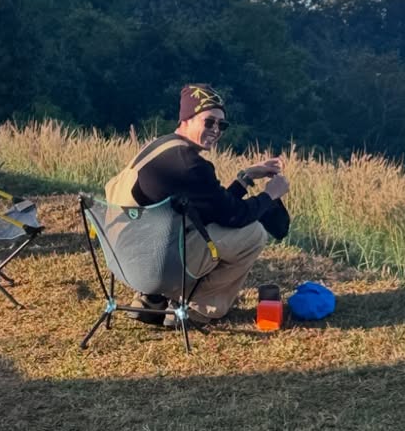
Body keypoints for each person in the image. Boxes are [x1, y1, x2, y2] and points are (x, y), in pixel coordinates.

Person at [106, 83, 290, 324]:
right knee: (253, 234)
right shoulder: (190, 165)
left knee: (203, 227)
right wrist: (270, 195)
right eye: (209, 122)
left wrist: (244, 179)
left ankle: (150, 300)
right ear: (187, 119)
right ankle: (197, 308)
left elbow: (213, 207)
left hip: (125, 262)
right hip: (155, 267)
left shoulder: (159, 148)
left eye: (221, 125)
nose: (216, 130)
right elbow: (236, 217)